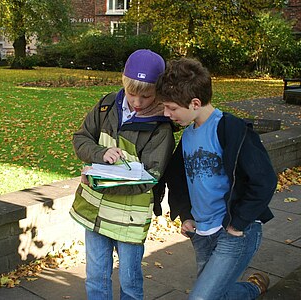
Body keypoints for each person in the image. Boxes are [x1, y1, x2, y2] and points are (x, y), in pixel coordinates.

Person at [156, 57, 277, 300]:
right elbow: (177, 178)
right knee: (216, 295)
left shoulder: (233, 130)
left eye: (171, 108)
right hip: (201, 233)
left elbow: (264, 180)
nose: (166, 113)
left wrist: (238, 223)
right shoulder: (188, 134)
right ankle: (253, 288)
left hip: (234, 231)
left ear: (195, 103)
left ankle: (252, 288)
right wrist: (185, 214)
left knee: (201, 298)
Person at [69, 49, 175, 299]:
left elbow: (150, 176)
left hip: (129, 217)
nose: (137, 102)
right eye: (131, 93)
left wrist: (100, 179)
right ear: (123, 84)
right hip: (94, 211)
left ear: (158, 91)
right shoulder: (107, 106)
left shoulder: (161, 128)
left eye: (146, 96)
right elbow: (81, 138)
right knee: (96, 277)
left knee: (130, 282)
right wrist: (99, 153)